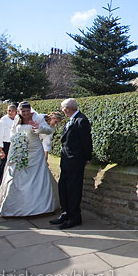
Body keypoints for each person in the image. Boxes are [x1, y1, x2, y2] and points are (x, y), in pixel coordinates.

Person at [0, 102, 58, 218]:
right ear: (19, 112)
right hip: (21, 150)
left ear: (30, 110)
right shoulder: (17, 120)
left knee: (37, 178)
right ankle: (14, 206)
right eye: (23, 111)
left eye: (27, 111)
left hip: (35, 151)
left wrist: (38, 127)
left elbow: (48, 130)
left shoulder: (37, 118)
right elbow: (13, 132)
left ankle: (40, 207)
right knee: (16, 176)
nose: (25, 113)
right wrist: (17, 141)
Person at [50, 98, 93, 230]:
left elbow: (86, 141)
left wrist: (86, 157)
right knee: (63, 187)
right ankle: (65, 213)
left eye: (63, 108)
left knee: (74, 189)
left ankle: (75, 217)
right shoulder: (71, 120)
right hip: (66, 160)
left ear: (67, 109)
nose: (62, 110)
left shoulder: (81, 120)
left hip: (75, 161)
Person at [0, 103, 18, 192]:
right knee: (3, 167)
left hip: (14, 145)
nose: (10, 113)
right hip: (5, 145)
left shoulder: (18, 120)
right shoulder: (3, 120)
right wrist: (1, 150)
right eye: (8, 111)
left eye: (12, 111)